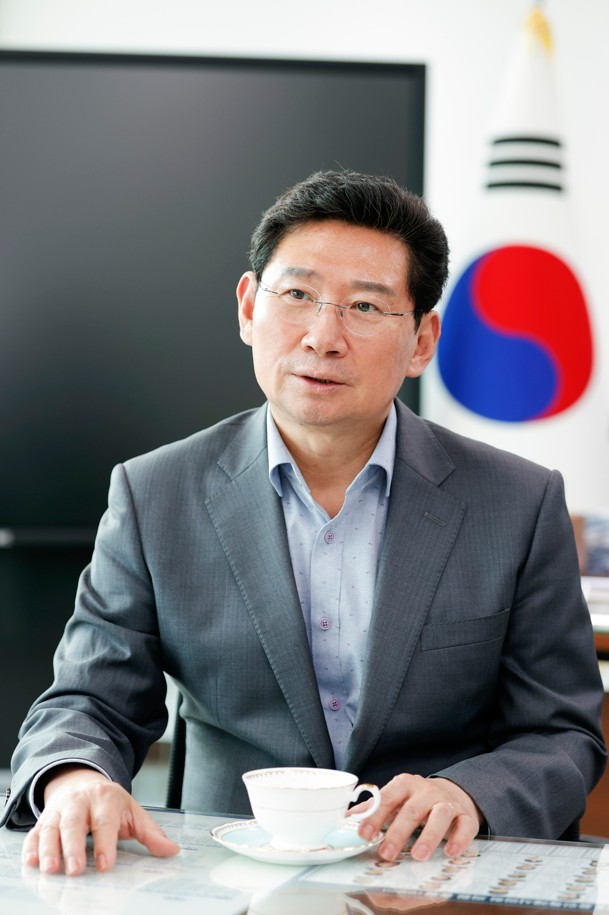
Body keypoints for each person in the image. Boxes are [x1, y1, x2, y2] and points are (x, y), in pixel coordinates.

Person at [2, 170, 605, 877]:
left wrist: (469, 793)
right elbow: (88, 700)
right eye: (297, 295)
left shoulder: (517, 502)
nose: (323, 337)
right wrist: (74, 777)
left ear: (421, 340)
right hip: (225, 874)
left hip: (432, 875)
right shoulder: (155, 492)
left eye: (365, 306)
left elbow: (562, 732)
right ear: (248, 307)